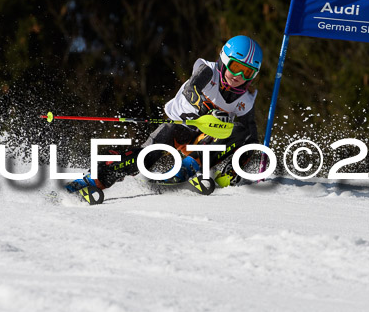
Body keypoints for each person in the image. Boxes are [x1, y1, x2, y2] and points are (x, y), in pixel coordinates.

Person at [66, 35, 263, 196]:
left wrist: (235, 170)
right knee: (144, 159)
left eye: (248, 72)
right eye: (236, 67)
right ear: (225, 60)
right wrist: (206, 110)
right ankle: (94, 179)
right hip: (179, 127)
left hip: (205, 139)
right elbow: (191, 89)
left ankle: (189, 167)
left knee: (240, 130)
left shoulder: (246, 99)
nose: (239, 77)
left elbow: (250, 138)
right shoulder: (207, 70)